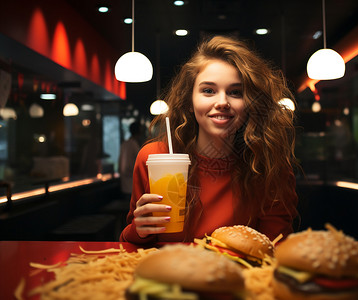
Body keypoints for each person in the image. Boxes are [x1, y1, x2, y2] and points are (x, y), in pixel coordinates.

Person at [120, 35, 299, 246]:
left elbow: (275, 248)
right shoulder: (154, 157)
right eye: (208, 91)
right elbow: (131, 245)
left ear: (250, 104)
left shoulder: (270, 166)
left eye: (235, 92)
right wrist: (139, 230)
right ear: (189, 100)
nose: (222, 102)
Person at [119, 121, 141, 200]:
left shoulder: (124, 143)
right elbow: (127, 166)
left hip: (125, 183)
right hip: (131, 184)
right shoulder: (133, 144)